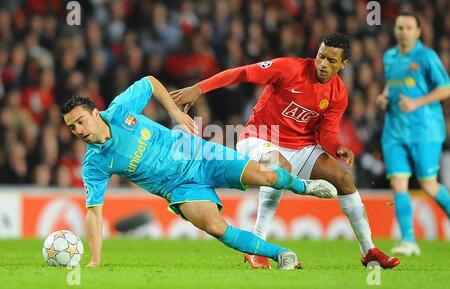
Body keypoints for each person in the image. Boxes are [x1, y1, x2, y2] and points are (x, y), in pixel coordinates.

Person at [171, 32, 400, 269]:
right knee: (281, 167)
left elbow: (327, 133)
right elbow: (244, 72)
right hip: (259, 137)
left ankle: (368, 250)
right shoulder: (290, 68)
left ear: (343, 64)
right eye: (321, 57)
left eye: (331, 61)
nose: (322, 64)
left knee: (343, 178)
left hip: (301, 146)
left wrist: (338, 148)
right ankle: (256, 246)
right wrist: (199, 88)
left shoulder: (338, 93)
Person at [61, 75, 339, 270]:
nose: (79, 131)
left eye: (81, 122)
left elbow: (150, 82)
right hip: (180, 189)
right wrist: (95, 260)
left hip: (201, 155)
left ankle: (304, 187)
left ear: (96, 114)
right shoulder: (94, 163)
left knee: (266, 176)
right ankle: (282, 255)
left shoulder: (121, 111)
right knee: (215, 227)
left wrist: (174, 113)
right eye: (72, 128)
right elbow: (94, 211)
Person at [376, 13, 450, 256]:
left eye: (409, 27)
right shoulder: (389, 56)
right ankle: (408, 240)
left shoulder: (427, 56)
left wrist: (417, 102)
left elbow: (445, 88)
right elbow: (391, 83)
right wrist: (384, 96)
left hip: (424, 129)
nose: (403, 32)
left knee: (429, 185)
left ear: (418, 31)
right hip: (395, 130)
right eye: (399, 27)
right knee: (398, 182)